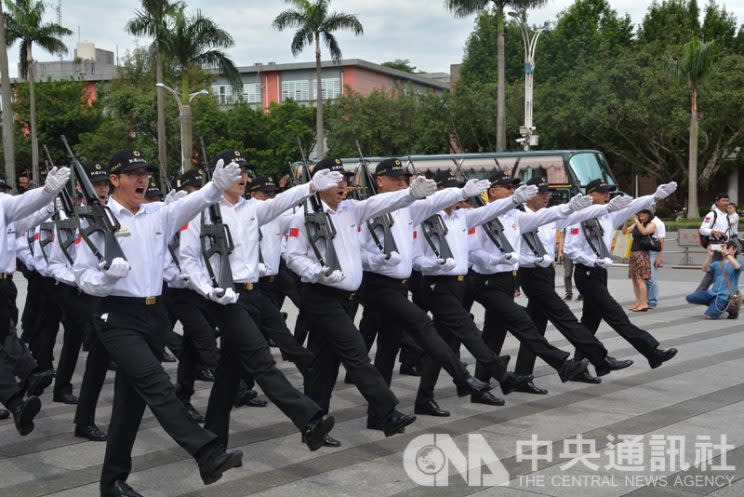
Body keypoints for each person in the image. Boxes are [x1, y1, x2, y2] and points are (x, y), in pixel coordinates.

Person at [73, 148, 245, 497]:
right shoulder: (95, 218)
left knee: (130, 404)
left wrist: (215, 186)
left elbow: (192, 205)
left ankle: (113, 483)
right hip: (116, 315)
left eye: (145, 173)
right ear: (114, 180)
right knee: (156, 383)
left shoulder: (156, 214)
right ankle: (206, 452)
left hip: (153, 313)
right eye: (133, 173)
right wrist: (105, 278)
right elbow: (81, 275)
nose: (142, 179)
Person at [286, 157, 436, 438]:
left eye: (343, 178)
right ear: (319, 183)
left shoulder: (350, 211)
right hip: (321, 295)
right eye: (335, 179)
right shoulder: (302, 216)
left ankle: (314, 424)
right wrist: (317, 272)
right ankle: (387, 412)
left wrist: (409, 194)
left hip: (348, 298)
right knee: (356, 351)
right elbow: (292, 256)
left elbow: (382, 203)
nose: (342, 184)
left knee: (325, 363)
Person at [358, 158, 494, 419]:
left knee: (388, 349)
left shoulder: (409, 209)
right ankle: (462, 377)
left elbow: (436, 202)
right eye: (395, 178)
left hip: (399, 286)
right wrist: (376, 259)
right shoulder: (367, 208)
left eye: (403, 178)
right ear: (380, 181)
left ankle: (379, 413)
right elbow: (355, 249)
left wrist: (462, 193)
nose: (401, 182)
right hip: (377, 285)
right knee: (422, 323)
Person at [515, 177, 634, 385]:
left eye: (548, 193)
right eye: (541, 194)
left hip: (546, 273)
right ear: (529, 195)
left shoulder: (549, 214)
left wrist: (647, 199)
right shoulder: (518, 215)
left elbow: (579, 215)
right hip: (530, 275)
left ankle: (522, 375)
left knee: (535, 326)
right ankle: (599, 357)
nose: (546, 197)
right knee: (565, 318)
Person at [563, 178, 679, 383]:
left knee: (590, 322)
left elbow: (632, 205)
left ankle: (578, 366)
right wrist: (594, 259)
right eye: (603, 192)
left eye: (609, 191)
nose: (608, 195)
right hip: (587, 272)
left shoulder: (608, 215)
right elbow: (570, 249)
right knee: (616, 315)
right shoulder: (578, 217)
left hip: (599, 273)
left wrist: (654, 196)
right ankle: (652, 351)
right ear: (590, 194)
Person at [0, 166, 71, 435]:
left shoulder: (2, 205)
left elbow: (21, 217)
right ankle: (23, 385)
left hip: (4, 283)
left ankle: (24, 385)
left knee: (6, 334)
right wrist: (46, 191)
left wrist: (46, 202)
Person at [686, 241, 741, 319]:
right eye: (723, 247)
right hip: (712, 293)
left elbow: (737, 267)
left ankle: (726, 308)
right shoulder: (717, 263)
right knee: (690, 298)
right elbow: (704, 269)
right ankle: (714, 304)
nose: (725, 249)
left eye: (728, 247)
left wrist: (727, 254)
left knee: (708, 316)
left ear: (734, 249)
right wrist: (710, 256)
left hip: (724, 297)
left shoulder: (739, 262)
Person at [696, 193, 734, 292]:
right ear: (717, 202)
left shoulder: (726, 214)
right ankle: (701, 291)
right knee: (715, 269)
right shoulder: (712, 214)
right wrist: (713, 232)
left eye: (727, 200)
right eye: (723, 201)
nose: (726, 203)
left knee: (723, 269)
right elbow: (702, 229)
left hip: (725, 245)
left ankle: (728, 292)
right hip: (716, 244)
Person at [623, 208, 656, 312]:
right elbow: (625, 232)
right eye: (640, 213)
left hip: (642, 254)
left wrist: (636, 221)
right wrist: (624, 221)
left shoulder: (651, 224)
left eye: (644, 213)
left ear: (649, 215)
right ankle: (638, 302)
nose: (641, 214)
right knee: (634, 280)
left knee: (640, 280)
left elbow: (644, 232)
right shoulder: (637, 224)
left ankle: (644, 303)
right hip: (633, 253)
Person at [646, 211, 666, 309]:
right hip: (644, 251)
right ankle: (647, 299)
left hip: (653, 252)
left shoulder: (658, 223)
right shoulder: (645, 221)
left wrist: (660, 256)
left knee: (652, 278)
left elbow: (661, 240)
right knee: (646, 277)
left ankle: (652, 301)